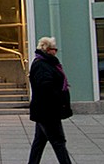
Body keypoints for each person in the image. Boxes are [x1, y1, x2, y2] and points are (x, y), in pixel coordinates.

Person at [27, 36, 73, 164]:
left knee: (39, 142)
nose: (56, 52)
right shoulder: (42, 65)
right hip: (48, 111)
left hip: (44, 110)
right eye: (54, 49)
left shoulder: (46, 63)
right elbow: (45, 88)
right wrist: (60, 99)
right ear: (47, 50)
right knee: (58, 141)